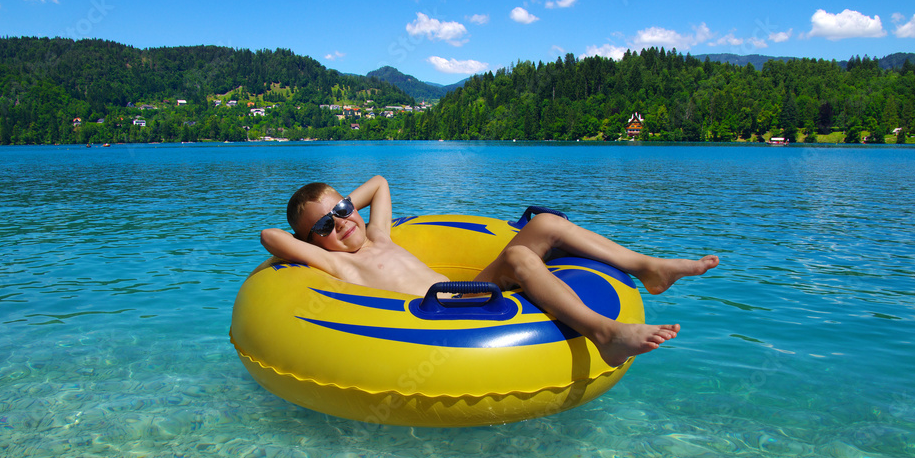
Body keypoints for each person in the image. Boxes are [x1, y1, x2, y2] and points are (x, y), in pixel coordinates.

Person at [260, 175, 719, 366]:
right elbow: (271, 238)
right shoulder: (335, 260)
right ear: (311, 241)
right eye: (325, 224)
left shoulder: (379, 235)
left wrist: (340, 207)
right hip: (440, 312)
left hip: (467, 291)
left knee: (545, 225)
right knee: (521, 258)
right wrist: (315, 232)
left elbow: (379, 183)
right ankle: (604, 333)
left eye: (343, 209)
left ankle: (647, 267)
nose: (341, 222)